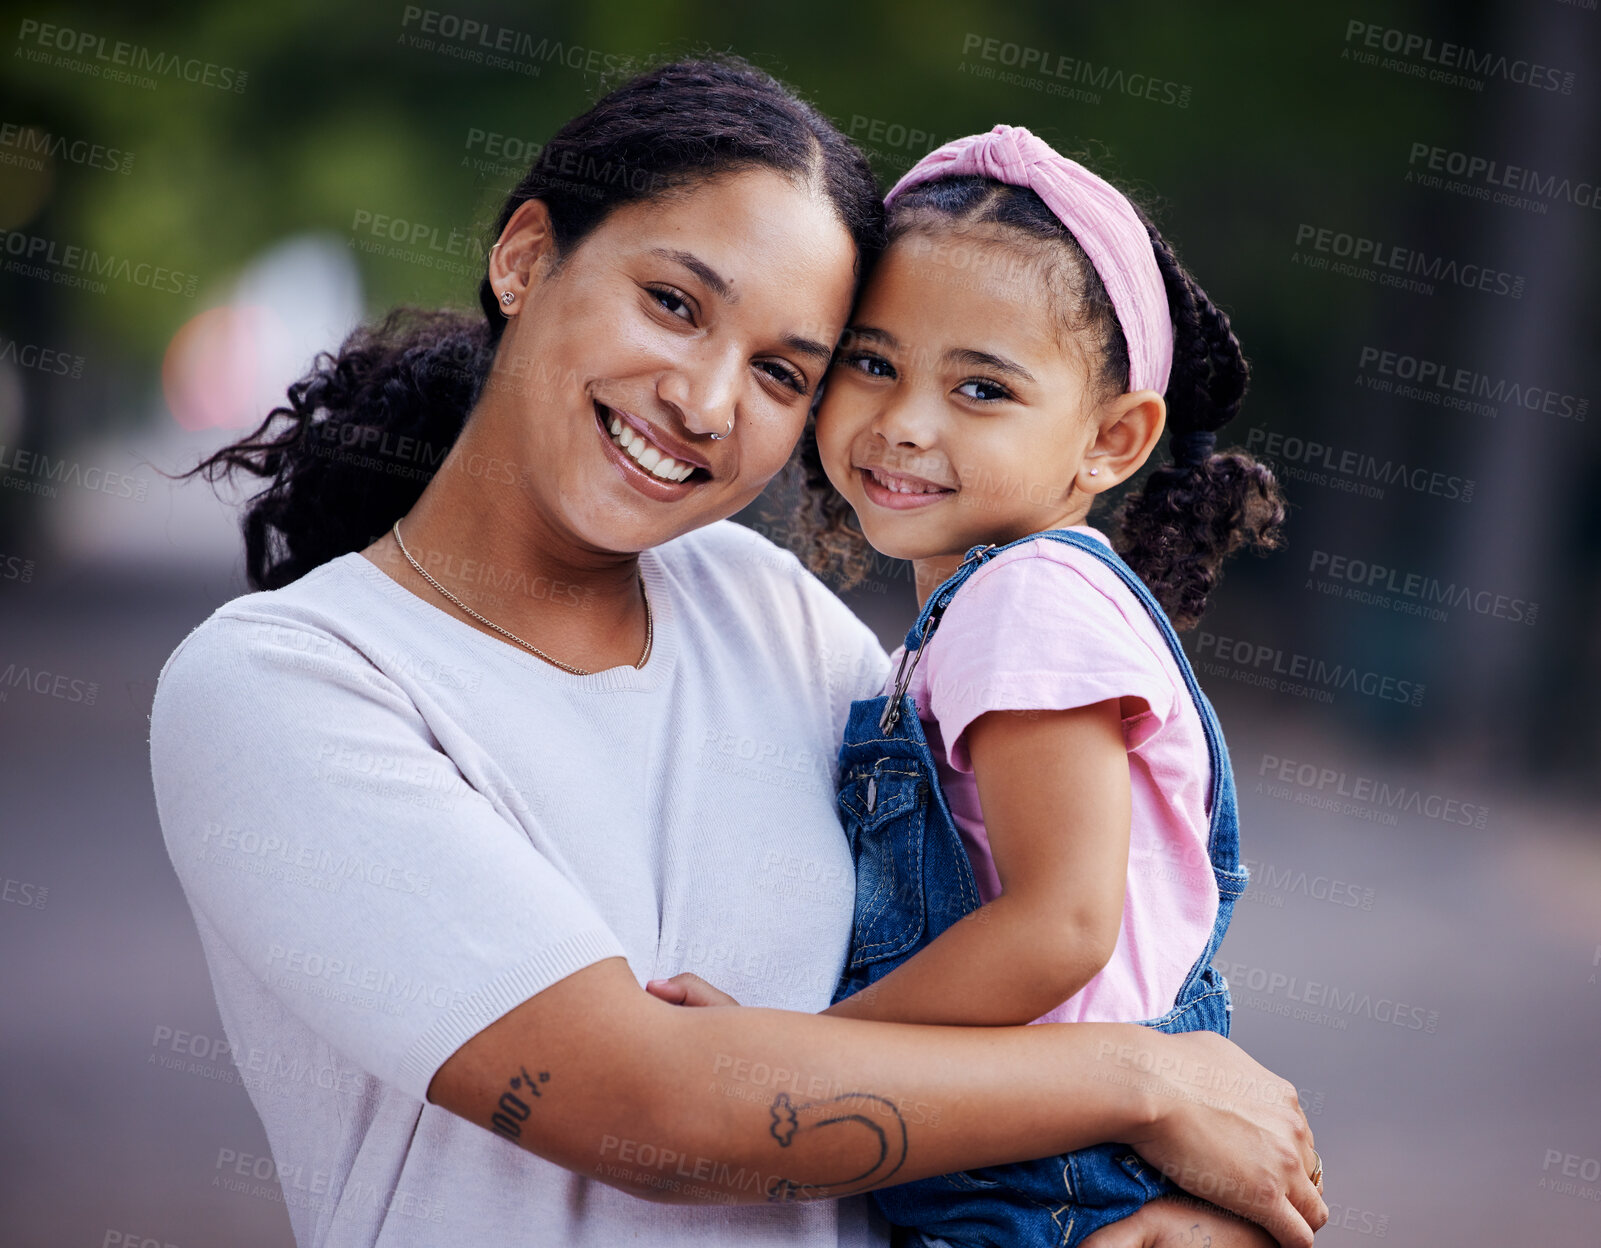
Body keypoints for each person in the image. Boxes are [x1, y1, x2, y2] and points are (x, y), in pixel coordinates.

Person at [151, 58, 1326, 1248]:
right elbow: (651, 1111)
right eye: (671, 302)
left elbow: (1073, 933)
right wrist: (1142, 1084)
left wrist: (1196, 1211)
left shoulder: (768, 611)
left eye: (782, 371)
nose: (706, 401)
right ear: (524, 257)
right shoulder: (288, 683)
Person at [652, 123, 1295, 1246]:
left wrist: (805, 1051)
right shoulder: (993, 616)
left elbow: (1060, 926)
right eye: (872, 362)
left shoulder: (1023, 603)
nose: (903, 423)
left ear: (1108, 439)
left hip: (1041, 1175)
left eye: (981, 388)